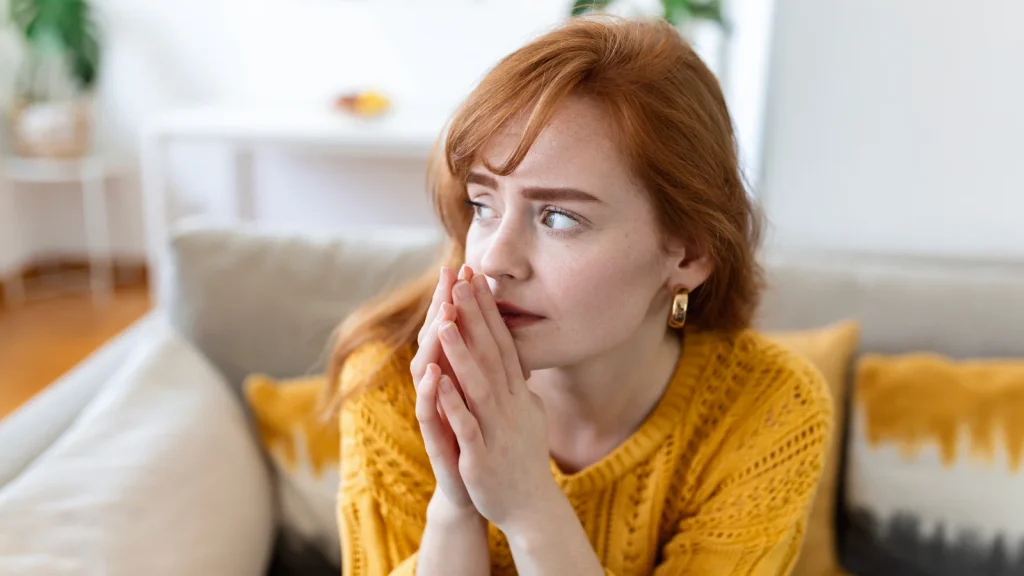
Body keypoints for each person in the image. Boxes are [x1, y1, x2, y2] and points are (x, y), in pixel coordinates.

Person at [325, 14, 832, 576]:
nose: (493, 258)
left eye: (559, 217)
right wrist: (456, 506)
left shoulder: (766, 409)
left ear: (688, 254)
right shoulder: (393, 384)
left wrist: (528, 507)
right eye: (483, 205)